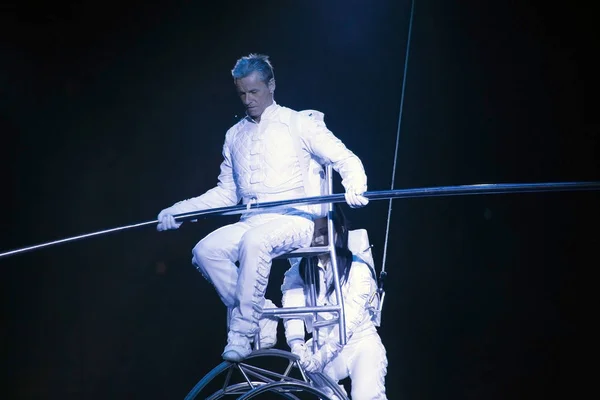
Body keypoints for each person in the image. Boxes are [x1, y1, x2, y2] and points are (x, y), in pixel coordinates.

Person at [156, 53, 369, 362]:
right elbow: (227, 194)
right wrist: (181, 210)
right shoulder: (234, 135)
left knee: (256, 243)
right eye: (241, 93)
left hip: (297, 218)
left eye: (253, 92)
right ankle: (262, 311)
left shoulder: (298, 123)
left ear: (271, 86)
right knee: (206, 251)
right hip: (253, 218)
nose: (247, 100)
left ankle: (242, 334)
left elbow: (345, 158)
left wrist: (354, 186)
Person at [281, 205, 387, 399]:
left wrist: (322, 357)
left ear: (338, 232)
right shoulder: (299, 272)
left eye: (323, 232)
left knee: (366, 394)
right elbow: (291, 309)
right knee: (324, 389)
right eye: (312, 232)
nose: (317, 239)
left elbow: (349, 320)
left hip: (360, 343)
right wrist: (296, 344)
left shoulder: (357, 269)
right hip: (322, 343)